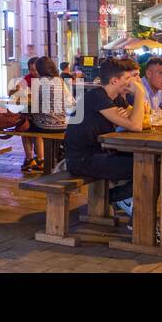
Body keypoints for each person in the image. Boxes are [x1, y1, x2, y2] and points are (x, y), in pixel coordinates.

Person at [64, 57, 146, 214]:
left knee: (151, 161)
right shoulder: (97, 96)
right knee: (145, 167)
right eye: (128, 78)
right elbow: (136, 126)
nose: (133, 82)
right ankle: (115, 198)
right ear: (115, 80)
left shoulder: (116, 98)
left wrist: (130, 111)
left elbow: (141, 117)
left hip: (101, 153)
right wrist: (140, 94)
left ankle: (123, 200)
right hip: (82, 159)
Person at [23, 56, 74, 173]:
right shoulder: (61, 81)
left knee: (25, 127)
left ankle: (32, 159)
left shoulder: (38, 83)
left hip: (44, 126)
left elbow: (35, 108)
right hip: (62, 126)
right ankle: (41, 160)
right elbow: (72, 103)